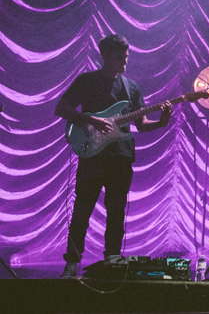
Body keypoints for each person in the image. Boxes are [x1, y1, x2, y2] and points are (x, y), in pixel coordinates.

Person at [54, 34, 172, 278]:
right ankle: (72, 263)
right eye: (120, 57)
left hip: (121, 157)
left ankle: (112, 261)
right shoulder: (86, 81)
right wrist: (90, 120)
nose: (125, 61)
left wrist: (162, 121)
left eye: (126, 57)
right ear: (105, 56)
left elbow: (141, 125)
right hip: (92, 156)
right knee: (82, 211)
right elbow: (61, 108)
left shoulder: (132, 88)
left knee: (117, 212)